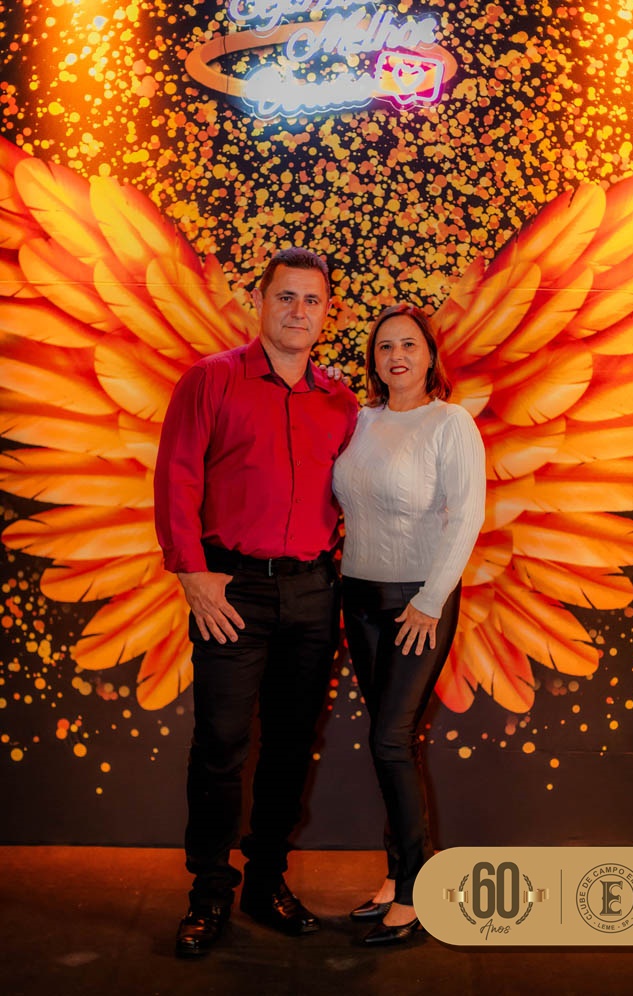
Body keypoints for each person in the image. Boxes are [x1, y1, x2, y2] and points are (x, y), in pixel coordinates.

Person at [154, 248, 357, 957]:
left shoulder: (341, 403)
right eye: (286, 297)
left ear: (327, 314)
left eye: (312, 301)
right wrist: (193, 573)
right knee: (220, 746)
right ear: (261, 302)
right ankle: (209, 894)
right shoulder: (211, 380)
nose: (299, 311)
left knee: (291, 746)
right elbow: (176, 478)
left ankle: (265, 881)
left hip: (313, 593)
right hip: (230, 591)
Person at [332, 303, 486, 946]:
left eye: (409, 345)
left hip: (418, 602)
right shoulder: (360, 420)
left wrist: (430, 600)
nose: (396, 356)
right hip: (358, 597)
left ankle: (417, 890)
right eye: (385, 346)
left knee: (390, 741)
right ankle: (398, 875)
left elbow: (467, 515)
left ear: (430, 356)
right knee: (390, 741)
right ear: (374, 359)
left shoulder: (450, 423)